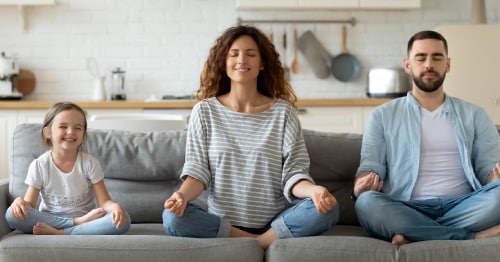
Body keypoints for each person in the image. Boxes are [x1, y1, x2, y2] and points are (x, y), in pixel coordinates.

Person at [162, 25, 339, 249]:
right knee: (172, 217)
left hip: (274, 221)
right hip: (222, 222)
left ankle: (258, 240)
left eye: (251, 54)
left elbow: (294, 173)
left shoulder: (283, 112)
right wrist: (181, 196)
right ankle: (259, 243)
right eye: (234, 54)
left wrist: (314, 191)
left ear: (262, 63)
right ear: (223, 62)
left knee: (329, 208)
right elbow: (197, 172)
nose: (241, 60)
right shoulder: (205, 112)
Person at [352, 30, 500, 245]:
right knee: (367, 203)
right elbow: (371, 166)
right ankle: (471, 237)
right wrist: (360, 186)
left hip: (463, 205)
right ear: (407, 65)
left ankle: (414, 234)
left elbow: (488, 168)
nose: (429, 64)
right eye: (421, 58)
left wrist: (494, 177)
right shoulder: (382, 115)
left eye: (437, 57)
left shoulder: (475, 114)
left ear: (448, 64)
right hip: (405, 205)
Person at [5, 102, 131, 235]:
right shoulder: (39, 165)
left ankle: (60, 232)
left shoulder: (90, 163)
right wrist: (20, 203)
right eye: (63, 126)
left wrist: (115, 207)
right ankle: (75, 224)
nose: (70, 132)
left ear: (83, 135)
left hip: (88, 220)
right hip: (54, 220)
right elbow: (29, 204)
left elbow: (105, 202)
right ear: (48, 132)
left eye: (78, 128)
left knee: (124, 220)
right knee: (11, 215)